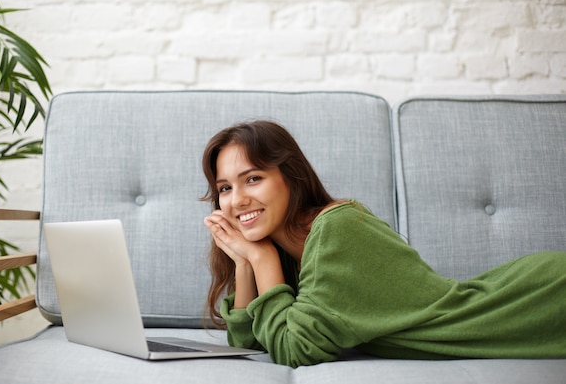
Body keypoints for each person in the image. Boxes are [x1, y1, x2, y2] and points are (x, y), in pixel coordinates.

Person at [201, 120, 566, 368]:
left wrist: (261, 259)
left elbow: (296, 349)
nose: (236, 201)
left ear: (291, 178)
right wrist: (246, 263)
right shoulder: (283, 253)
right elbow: (247, 342)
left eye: (253, 178)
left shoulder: (335, 230)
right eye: (225, 188)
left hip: (535, 302)